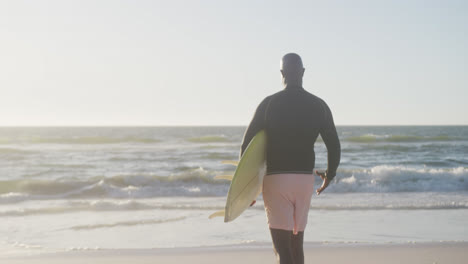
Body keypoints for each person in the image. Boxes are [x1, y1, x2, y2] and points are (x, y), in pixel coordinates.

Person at [240, 53, 341, 264]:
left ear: (282, 74)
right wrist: (329, 175)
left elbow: (246, 144)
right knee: (297, 246)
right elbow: (333, 144)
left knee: (282, 250)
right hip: (304, 180)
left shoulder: (268, 104)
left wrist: (247, 188)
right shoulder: (319, 105)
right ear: (303, 73)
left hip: (276, 179)